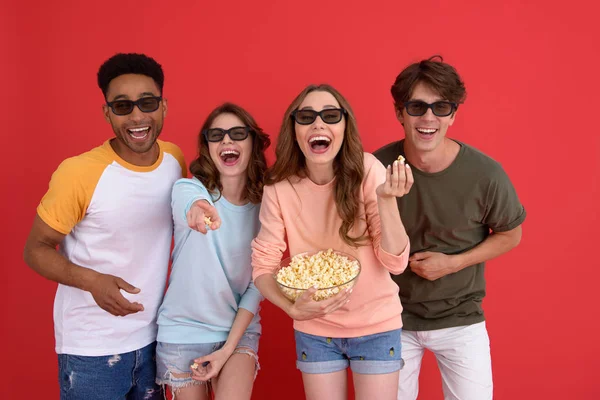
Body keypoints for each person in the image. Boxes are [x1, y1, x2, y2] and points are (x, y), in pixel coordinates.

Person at [23, 53, 186, 400]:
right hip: (91, 348)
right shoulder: (78, 173)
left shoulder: (175, 159)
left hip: (155, 339)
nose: (138, 116)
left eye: (147, 103)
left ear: (164, 106)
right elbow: (35, 250)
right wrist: (92, 281)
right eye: (122, 106)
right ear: (107, 113)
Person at [373, 55, 526, 400]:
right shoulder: (374, 168)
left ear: (453, 114)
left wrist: (454, 262)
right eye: (416, 106)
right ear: (399, 112)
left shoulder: (486, 174)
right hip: (389, 318)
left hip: (462, 318)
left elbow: (511, 234)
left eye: (441, 107)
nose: (429, 118)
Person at [252, 84, 412, 400]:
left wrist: (386, 200)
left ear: (344, 126)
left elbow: (396, 261)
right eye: (307, 116)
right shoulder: (278, 186)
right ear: (294, 129)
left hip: (376, 325)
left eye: (330, 115)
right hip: (315, 331)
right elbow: (263, 265)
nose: (318, 124)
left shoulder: (368, 170)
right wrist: (291, 308)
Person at [155, 103, 270, 400]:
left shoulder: (267, 210)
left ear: (252, 142)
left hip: (236, 330)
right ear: (207, 146)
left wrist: (228, 348)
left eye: (237, 133)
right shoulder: (188, 189)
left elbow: (257, 285)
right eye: (216, 135)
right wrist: (197, 211)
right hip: (183, 331)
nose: (227, 141)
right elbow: (190, 205)